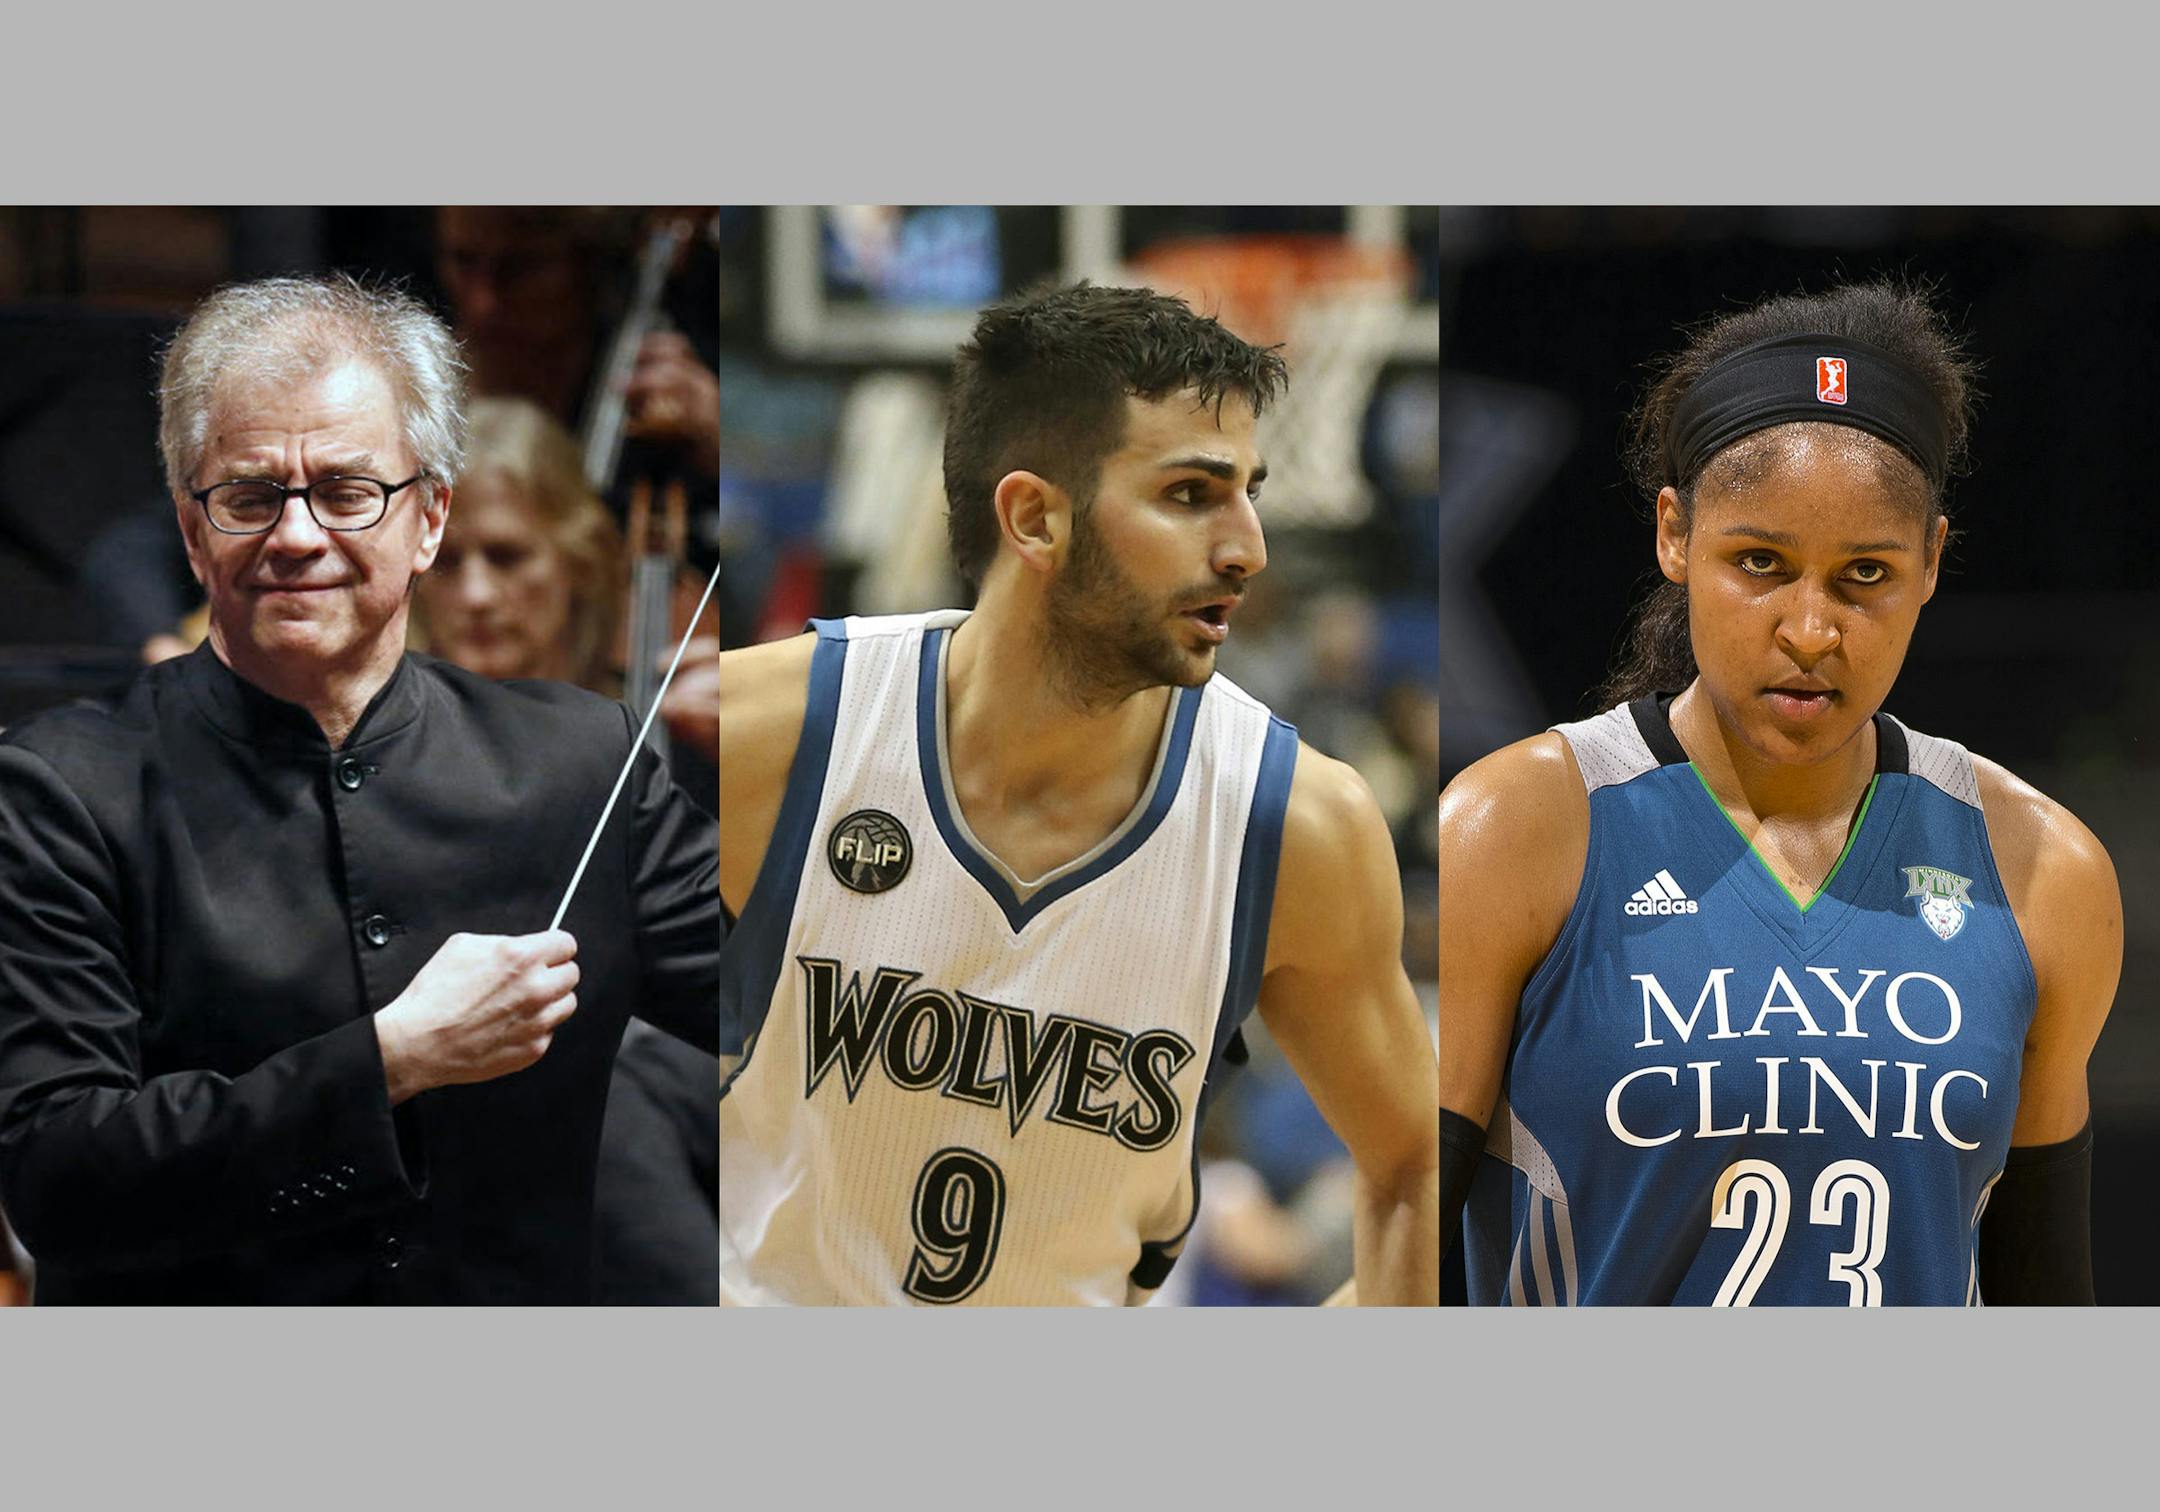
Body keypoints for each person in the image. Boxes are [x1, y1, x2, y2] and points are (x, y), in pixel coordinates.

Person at [715, 282, 1438, 1306]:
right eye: (1191, 494)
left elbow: (1422, 1166)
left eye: (1249, 493)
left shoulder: (1297, 822)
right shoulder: (769, 734)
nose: (1248, 548)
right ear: (1035, 517)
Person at [0, 275, 718, 1304]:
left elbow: (781, 1013)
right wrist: (389, 1060)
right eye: (249, 496)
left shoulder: (582, 763)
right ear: (191, 528)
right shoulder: (61, 792)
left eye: (346, 491)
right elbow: (56, 1177)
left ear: (429, 518)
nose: (296, 536)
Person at [1438, 281, 2120, 1305]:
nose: (1811, 629)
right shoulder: (1516, 831)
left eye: (1864, 576)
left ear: (1930, 561)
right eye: (1760, 563)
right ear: (1674, 535)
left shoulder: (2043, 870)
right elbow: (1399, 1229)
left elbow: (2049, 1298)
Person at [412, 394, 719, 1305]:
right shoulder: (385, 741)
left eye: (507, 557)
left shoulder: (671, 720)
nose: (474, 594)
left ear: (578, 562)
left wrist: (753, 759)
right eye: (449, 561)